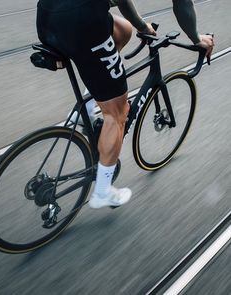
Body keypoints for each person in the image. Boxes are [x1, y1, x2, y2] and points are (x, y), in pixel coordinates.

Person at [36, 0, 214, 209]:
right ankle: (103, 192)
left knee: (123, 30)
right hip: (82, 21)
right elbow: (183, 5)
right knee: (117, 113)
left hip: (47, 16)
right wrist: (197, 38)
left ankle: (85, 110)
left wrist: (141, 27)